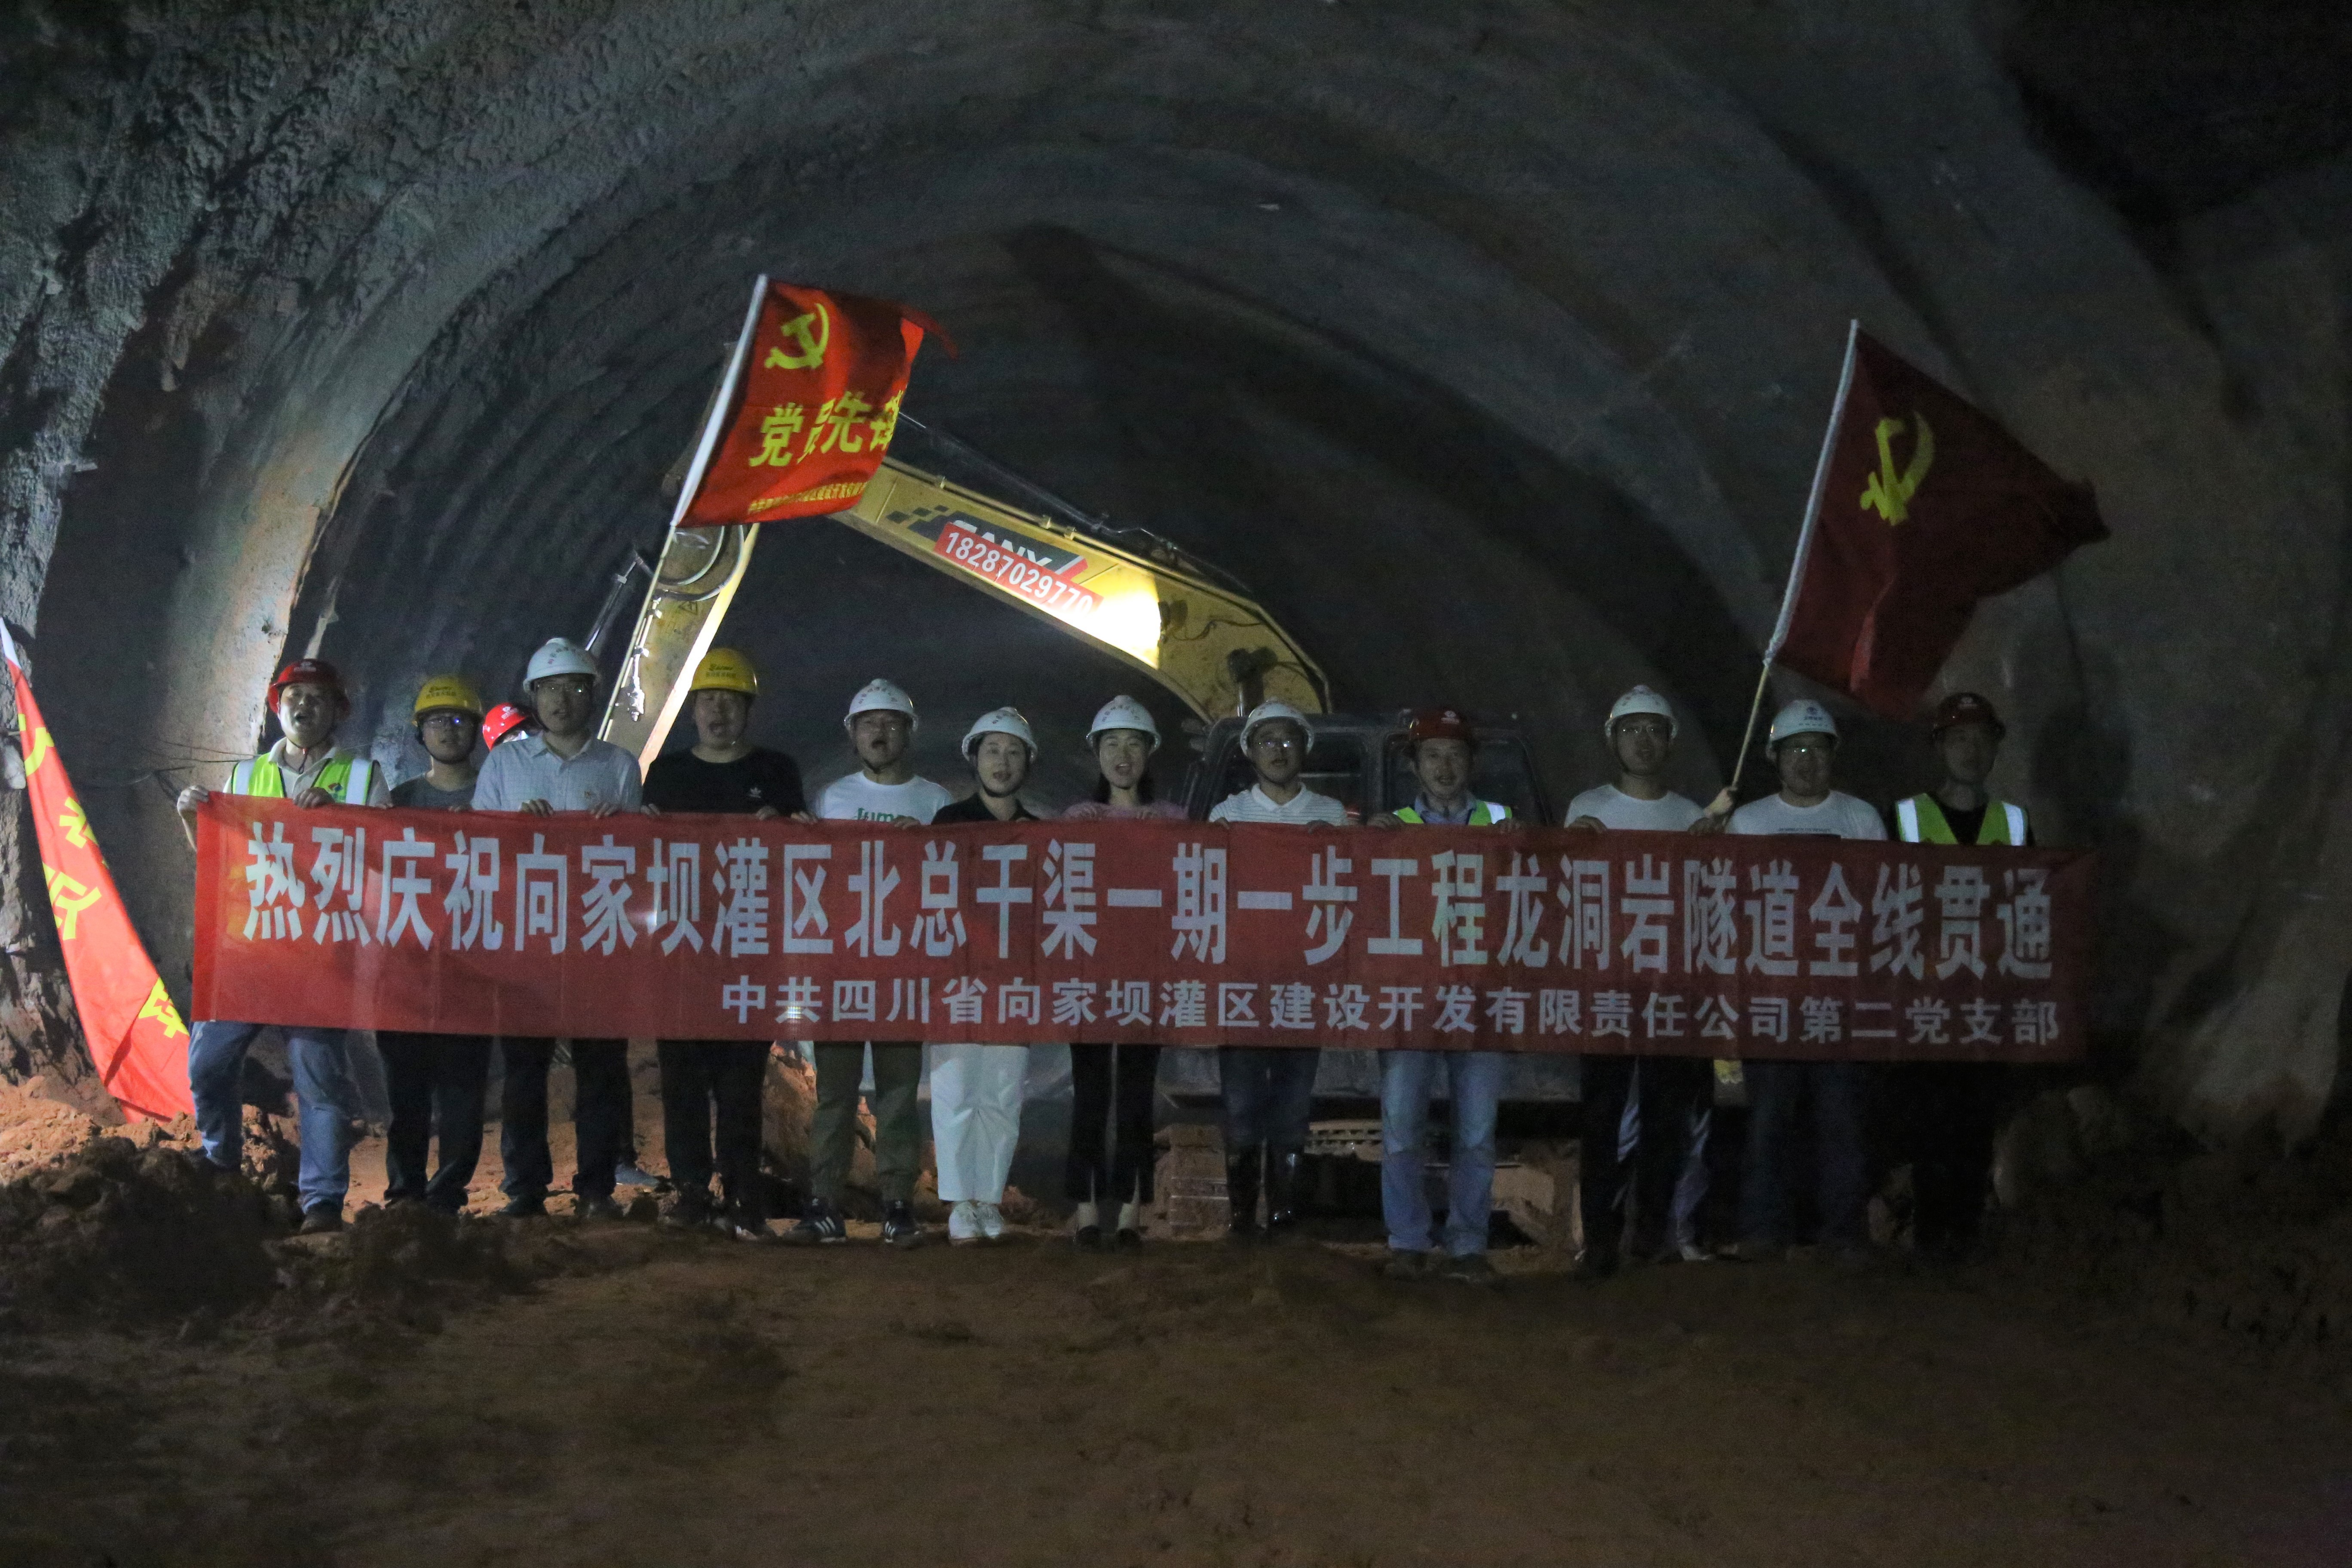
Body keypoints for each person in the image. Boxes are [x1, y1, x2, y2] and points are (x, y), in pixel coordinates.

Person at [174, 658, 386, 1234]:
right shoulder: (242, 780)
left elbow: (388, 864)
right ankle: (220, 1161)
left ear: (338, 711)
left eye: (318, 697)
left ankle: (321, 1203)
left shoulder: (364, 780)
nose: (303, 706)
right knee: (209, 1063)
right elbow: (219, 864)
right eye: (294, 695)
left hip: (320, 957)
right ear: (277, 705)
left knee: (319, 1081)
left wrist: (342, 819)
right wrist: (192, 817)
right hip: (251, 953)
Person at [641, 648, 811, 1241]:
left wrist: (787, 826)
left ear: (748, 710)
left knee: (740, 1081)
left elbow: (811, 853)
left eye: (730, 700)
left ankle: (742, 1192)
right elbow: (639, 854)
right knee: (683, 1078)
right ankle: (691, 1189)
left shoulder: (778, 771)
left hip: (749, 949)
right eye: (708, 700)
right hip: (683, 949)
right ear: (692, 710)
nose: (718, 711)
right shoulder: (666, 774)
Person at [471, 637, 642, 1222]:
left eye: (573, 687)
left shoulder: (618, 767)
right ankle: (525, 1190)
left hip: (598, 940)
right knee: (525, 1073)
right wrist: (516, 830)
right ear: (533, 698)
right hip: (529, 941)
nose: (560, 700)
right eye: (548, 689)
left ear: (592, 694)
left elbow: (638, 856)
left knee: (600, 1069)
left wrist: (623, 827)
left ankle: (596, 1188)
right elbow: (479, 849)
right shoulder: (505, 765)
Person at [789, 679, 951, 1248]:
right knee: (835, 1095)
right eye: (868, 724)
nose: (879, 733)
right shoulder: (831, 799)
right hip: (840, 969)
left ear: (909, 732)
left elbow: (956, 879)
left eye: (891, 723)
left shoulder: (935, 803)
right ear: (853, 735)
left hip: (902, 971)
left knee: (899, 1095)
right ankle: (824, 1204)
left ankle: (898, 1205)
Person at [1561, 686, 1715, 1279]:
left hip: (1671, 986)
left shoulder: (1689, 816)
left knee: (1665, 1117)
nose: (1643, 741)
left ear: (1670, 741)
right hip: (1606, 984)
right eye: (1632, 730)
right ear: (1613, 740)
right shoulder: (1586, 809)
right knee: (1601, 1118)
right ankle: (1599, 1239)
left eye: (1654, 730)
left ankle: (1651, 1234)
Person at [1728, 698, 1886, 1261]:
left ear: (1832, 758)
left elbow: (1881, 905)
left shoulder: (1860, 819)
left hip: (1840, 1000)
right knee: (1770, 1121)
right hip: (1773, 999)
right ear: (1775, 757)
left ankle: (1843, 1234)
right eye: (1795, 749)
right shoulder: (1749, 823)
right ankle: (1764, 1232)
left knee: (1841, 1123)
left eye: (1816, 750)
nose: (1805, 761)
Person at [1366, 708, 1511, 1285]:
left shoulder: (1501, 823)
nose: (1444, 767)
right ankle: (1407, 1241)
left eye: (1454, 754)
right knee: (1402, 1128)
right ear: (1414, 765)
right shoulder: (1393, 826)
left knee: (1476, 1134)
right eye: (1432, 755)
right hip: (1412, 1001)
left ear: (1472, 762)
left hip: (1478, 1000)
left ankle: (1468, 1247)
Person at [1889, 691, 2031, 1259]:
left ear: (1995, 748)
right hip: (1926, 999)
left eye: (1981, 740)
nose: (1972, 751)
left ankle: (1965, 1236)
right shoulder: (1905, 817)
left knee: (1976, 1118)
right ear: (1939, 748)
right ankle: (1929, 1236)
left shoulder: (2016, 823)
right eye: (1959, 740)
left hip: (1985, 1000)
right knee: (1930, 1121)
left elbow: (2036, 903)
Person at [1208, 699, 1347, 1242]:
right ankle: (1243, 1218)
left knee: (1292, 1109)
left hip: (1303, 983)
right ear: (1250, 751)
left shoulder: (1331, 815)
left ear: (1304, 749)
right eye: (1267, 740)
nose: (1278, 749)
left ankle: (1284, 1215)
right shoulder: (1227, 815)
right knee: (1242, 1107)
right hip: (1243, 984)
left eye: (1288, 739)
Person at [1057, 696, 1187, 1250]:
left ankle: (1131, 1214)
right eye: (1111, 743)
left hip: (1147, 973)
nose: (1122, 754)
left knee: (1136, 1095)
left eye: (1133, 742)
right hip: (1089, 972)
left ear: (1149, 752)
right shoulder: (1076, 820)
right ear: (1096, 753)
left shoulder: (1176, 820)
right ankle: (1087, 1212)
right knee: (1089, 1094)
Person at [377, 674, 494, 1215]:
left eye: (459, 721)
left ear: (475, 730)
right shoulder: (398, 802)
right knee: (407, 1091)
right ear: (418, 733)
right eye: (436, 722)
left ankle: (447, 1194)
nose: (448, 731)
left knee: (463, 1091)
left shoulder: (500, 801)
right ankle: (404, 1191)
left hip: (474, 966)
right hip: (408, 967)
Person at [928, 707, 1042, 1246]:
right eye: (993, 750)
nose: (1003, 762)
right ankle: (959, 1203)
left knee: (1002, 1096)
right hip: (958, 980)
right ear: (975, 758)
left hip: (1015, 983)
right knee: (956, 1094)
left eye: (1013, 751)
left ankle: (990, 1200)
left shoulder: (1042, 836)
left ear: (1028, 763)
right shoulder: (951, 823)